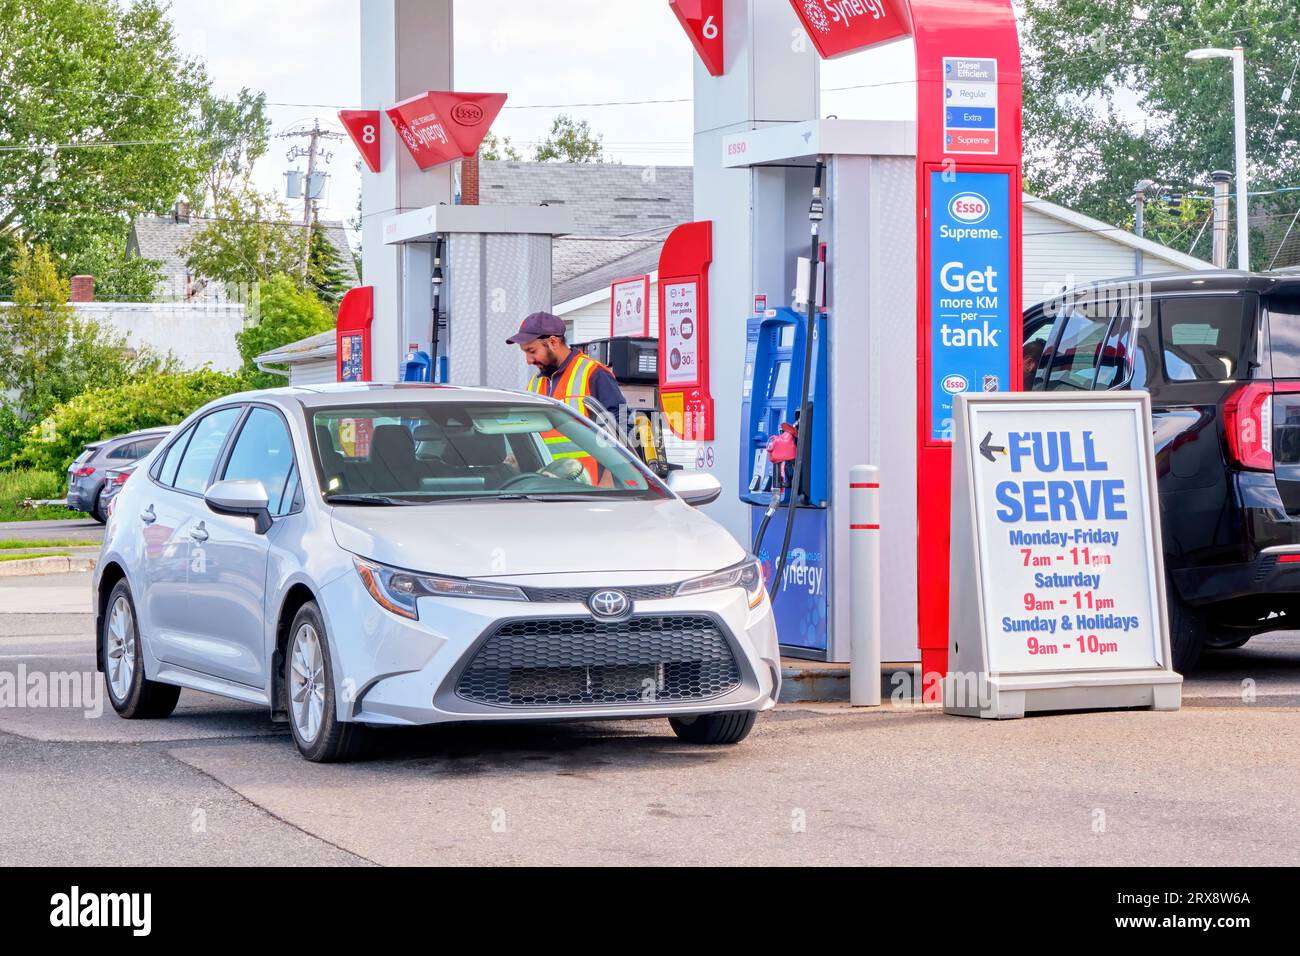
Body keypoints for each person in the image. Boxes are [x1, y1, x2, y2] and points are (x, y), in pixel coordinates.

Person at [506, 311, 627, 482]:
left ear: (553, 342)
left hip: (589, 488)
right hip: (547, 487)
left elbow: (620, 425)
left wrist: (610, 477)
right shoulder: (535, 383)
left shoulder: (593, 374)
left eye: (531, 351)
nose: (528, 360)